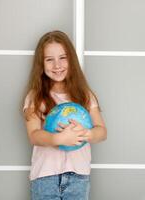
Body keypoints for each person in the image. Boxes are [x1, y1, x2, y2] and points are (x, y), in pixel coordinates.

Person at [22, 30, 107, 200]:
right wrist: (59, 139)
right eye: (49, 59)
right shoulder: (35, 96)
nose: (57, 65)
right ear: (41, 64)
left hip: (79, 177)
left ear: (71, 60)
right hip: (45, 177)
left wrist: (87, 133)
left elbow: (102, 132)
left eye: (63, 57)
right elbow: (34, 135)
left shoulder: (85, 95)